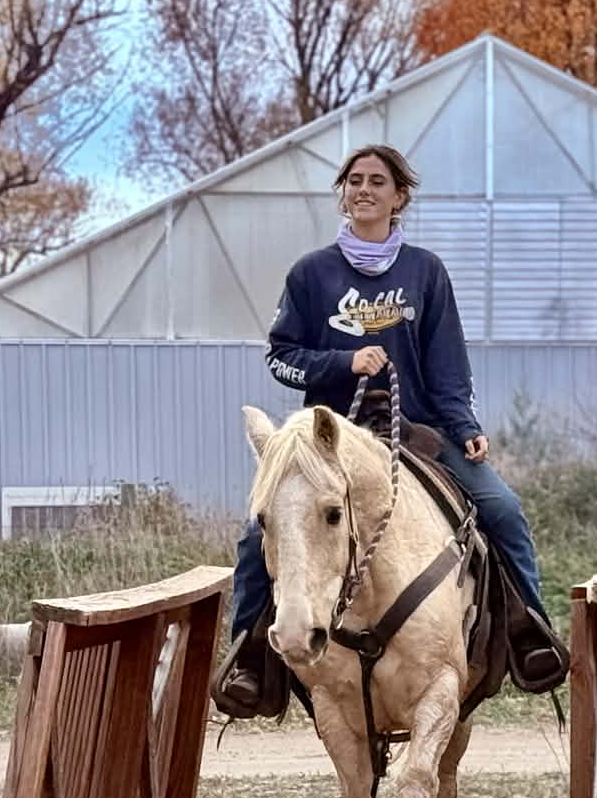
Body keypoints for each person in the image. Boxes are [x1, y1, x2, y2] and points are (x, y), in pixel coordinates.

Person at [214, 143, 563, 718]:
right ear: (343, 193)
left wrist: (464, 425)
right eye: (354, 181)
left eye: (377, 182)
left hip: (416, 432)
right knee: (258, 536)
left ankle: (529, 632)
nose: (364, 190)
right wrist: (342, 363)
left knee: (503, 508)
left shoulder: (425, 272)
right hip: (330, 446)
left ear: (399, 197)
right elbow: (281, 358)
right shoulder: (311, 274)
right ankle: (250, 657)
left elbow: (447, 362)